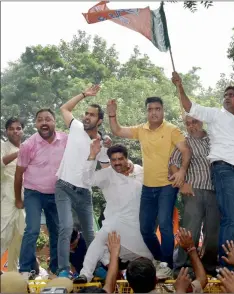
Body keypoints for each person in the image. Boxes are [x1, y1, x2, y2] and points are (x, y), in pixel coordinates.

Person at [172, 72, 234, 271]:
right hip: (223, 170)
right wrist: (180, 86)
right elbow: (189, 107)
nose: (227, 97)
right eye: (225, 95)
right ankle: (225, 264)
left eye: (232, 95)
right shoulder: (216, 115)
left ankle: (215, 264)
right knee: (229, 217)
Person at [107, 97, 191, 278]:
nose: (154, 112)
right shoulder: (141, 130)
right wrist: (112, 113)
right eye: (150, 109)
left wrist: (182, 171)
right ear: (147, 111)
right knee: (145, 228)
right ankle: (160, 259)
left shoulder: (171, 130)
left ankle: (167, 263)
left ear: (163, 111)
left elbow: (186, 150)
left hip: (167, 185)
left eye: (157, 109)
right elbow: (117, 130)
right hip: (148, 186)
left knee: (165, 225)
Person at [74, 143, 153, 284]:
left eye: (120, 159)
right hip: (114, 222)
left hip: (136, 226)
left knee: (149, 258)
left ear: (126, 158)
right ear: (110, 161)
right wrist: (92, 156)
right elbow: (86, 179)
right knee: (99, 241)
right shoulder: (107, 174)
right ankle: (85, 274)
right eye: (114, 160)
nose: (117, 163)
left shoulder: (139, 171)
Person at [55, 85, 111, 278]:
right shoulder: (77, 127)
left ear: (99, 120)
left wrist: (106, 148)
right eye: (86, 113)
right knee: (66, 227)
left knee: (90, 233)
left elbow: (106, 169)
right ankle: (63, 269)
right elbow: (64, 109)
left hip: (84, 192)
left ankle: (95, 268)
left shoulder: (102, 143)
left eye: (92, 115)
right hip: (64, 186)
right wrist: (84, 94)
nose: (87, 117)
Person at [15, 109, 68, 279]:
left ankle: (56, 268)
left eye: (48, 119)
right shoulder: (28, 145)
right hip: (33, 193)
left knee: (57, 230)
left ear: (54, 122)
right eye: (40, 120)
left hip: (57, 193)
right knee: (32, 229)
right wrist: (18, 199)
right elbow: (18, 175)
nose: (44, 123)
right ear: (36, 124)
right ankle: (25, 268)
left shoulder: (66, 140)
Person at [170, 115, 219, 277]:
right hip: (194, 191)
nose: (192, 126)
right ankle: (183, 268)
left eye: (195, 122)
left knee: (213, 231)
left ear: (202, 121)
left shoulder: (214, 139)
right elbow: (173, 164)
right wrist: (182, 184)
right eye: (188, 124)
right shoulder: (185, 142)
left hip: (215, 191)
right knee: (191, 230)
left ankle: (209, 266)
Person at [1, 118, 25, 271]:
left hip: (25, 196)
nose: (15, 131)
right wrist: (19, 153)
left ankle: (12, 273)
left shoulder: (27, 147)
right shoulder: (2, 146)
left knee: (20, 235)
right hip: (6, 194)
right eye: (11, 128)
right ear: (6, 131)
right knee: (2, 232)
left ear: (22, 130)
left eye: (18, 128)